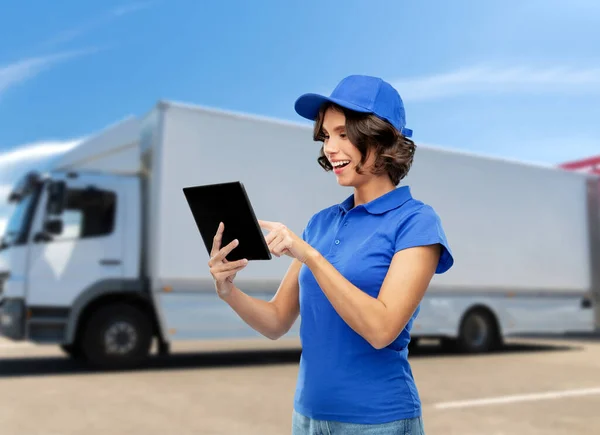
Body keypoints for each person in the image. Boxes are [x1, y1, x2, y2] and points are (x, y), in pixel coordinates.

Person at [208, 75, 454, 434]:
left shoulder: (416, 222)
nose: (329, 147)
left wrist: (311, 256)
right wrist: (228, 290)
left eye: (342, 133)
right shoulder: (321, 224)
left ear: (379, 137)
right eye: (326, 136)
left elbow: (382, 329)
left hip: (377, 421)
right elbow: (277, 320)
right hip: (308, 417)